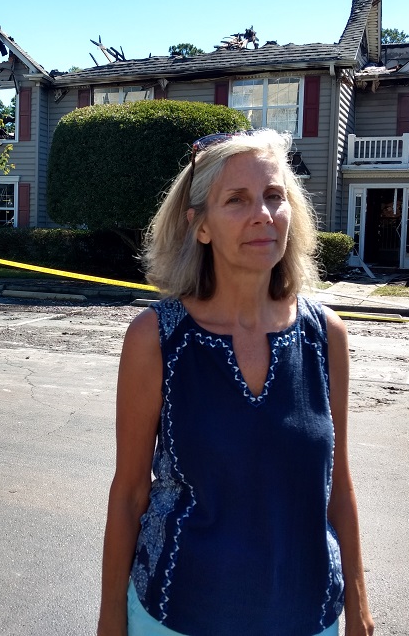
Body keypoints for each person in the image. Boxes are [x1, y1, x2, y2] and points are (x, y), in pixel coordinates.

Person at [98, 130, 374, 636]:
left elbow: (338, 485)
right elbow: (130, 492)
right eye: (237, 200)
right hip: (178, 616)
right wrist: (110, 619)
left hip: (309, 616)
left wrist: (357, 606)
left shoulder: (325, 335)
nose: (263, 215)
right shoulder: (156, 338)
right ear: (199, 225)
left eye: (274, 197)